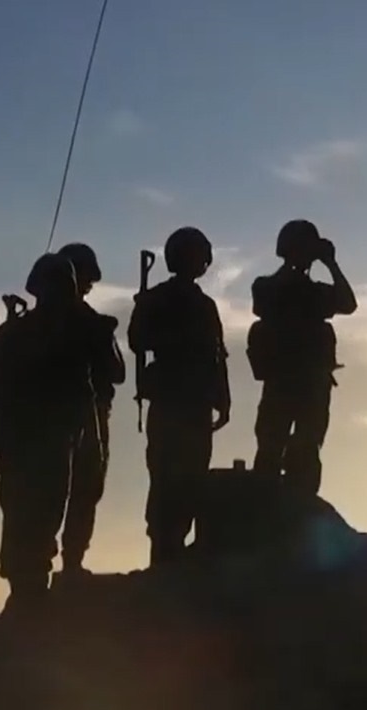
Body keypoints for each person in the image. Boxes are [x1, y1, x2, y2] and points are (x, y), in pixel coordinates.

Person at [0, 252, 97, 609]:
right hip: (32, 440)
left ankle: (29, 588)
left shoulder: (30, 332)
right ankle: (25, 590)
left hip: (45, 440)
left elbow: (87, 385)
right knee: (29, 512)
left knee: (36, 513)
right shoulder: (28, 332)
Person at [128, 227, 231, 564]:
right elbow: (138, 342)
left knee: (189, 479)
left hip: (195, 403)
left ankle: (172, 552)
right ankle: (163, 553)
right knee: (166, 479)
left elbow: (217, 354)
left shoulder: (202, 304)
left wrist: (223, 398)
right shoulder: (161, 300)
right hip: (173, 402)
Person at [247, 219, 356, 495]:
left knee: (305, 451)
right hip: (285, 385)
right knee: (272, 450)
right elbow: (270, 298)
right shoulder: (269, 287)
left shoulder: (310, 291)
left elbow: (348, 303)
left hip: (310, 386)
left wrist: (330, 263)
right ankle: (268, 502)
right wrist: (323, 262)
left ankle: (297, 502)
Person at [56, 241, 127, 576]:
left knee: (77, 491)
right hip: (82, 418)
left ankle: (68, 563)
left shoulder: (34, 324)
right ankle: (69, 563)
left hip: (72, 418)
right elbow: (117, 371)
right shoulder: (89, 323)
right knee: (80, 489)